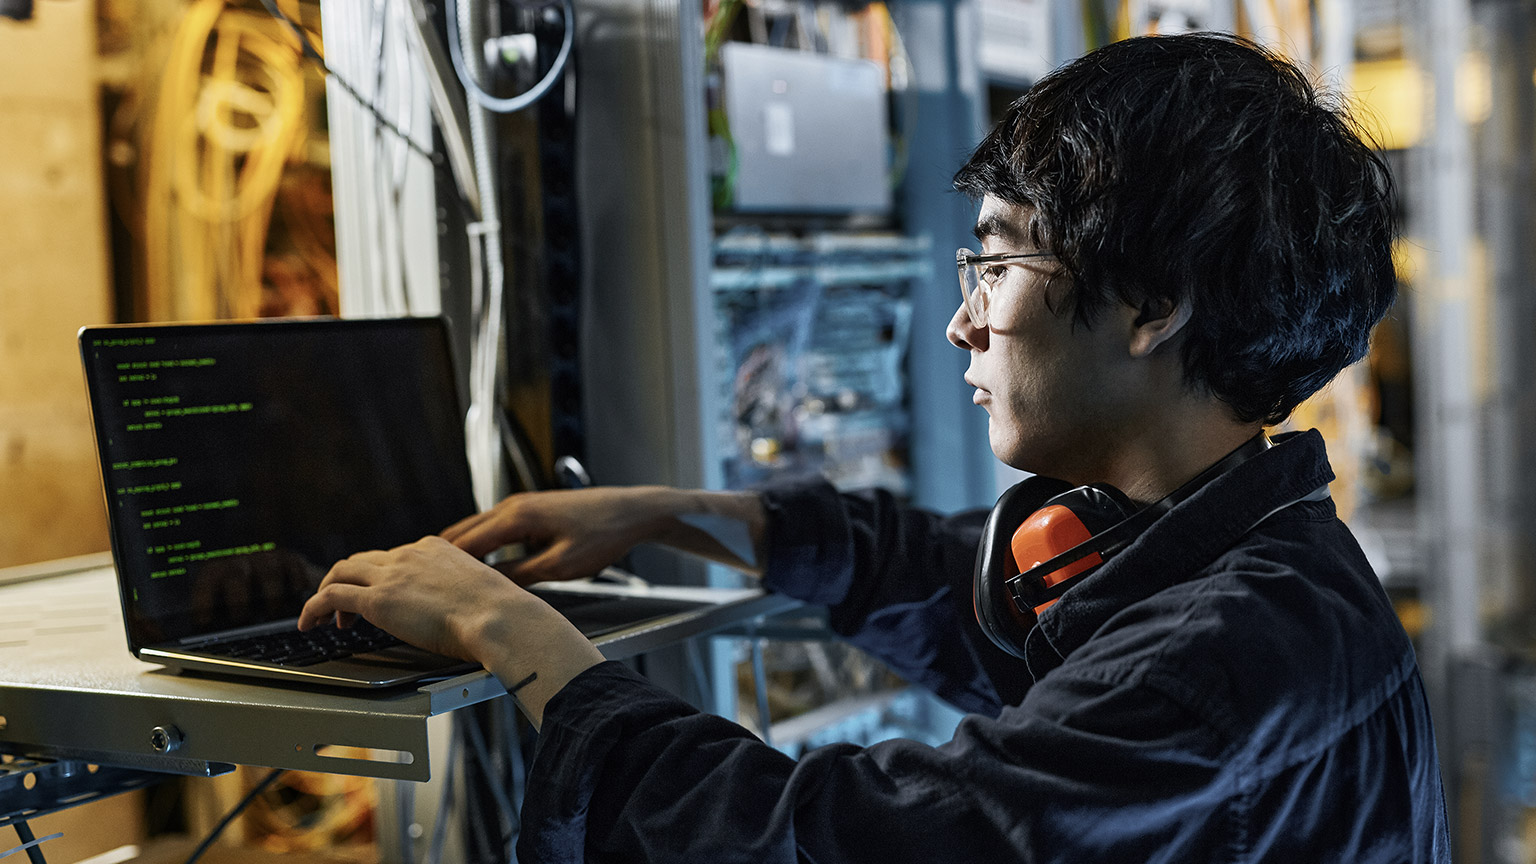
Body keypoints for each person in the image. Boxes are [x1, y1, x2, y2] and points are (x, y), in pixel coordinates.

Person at [300, 32, 1448, 861]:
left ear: (1152, 305)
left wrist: (504, 630)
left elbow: (817, 843)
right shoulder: (1245, 558)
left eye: (995, 265)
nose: (962, 318)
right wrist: (663, 514)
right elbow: (960, 584)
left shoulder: (1215, 663)